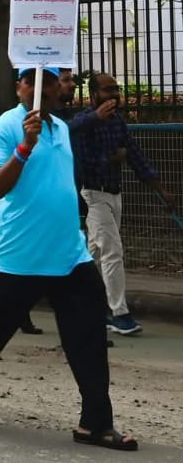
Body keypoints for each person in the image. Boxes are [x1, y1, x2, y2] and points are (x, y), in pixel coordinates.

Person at [0, 66, 136, 448]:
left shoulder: (60, 128)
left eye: (53, 81)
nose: (49, 88)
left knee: (88, 334)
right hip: (20, 255)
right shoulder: (5, 128)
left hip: (68, 254)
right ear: (21, 87)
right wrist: (24, 147)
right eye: (38, 82)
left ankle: (95, 422)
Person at [71, 72, 175, 337]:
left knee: (95, 254)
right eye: (108, 90)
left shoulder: (117, 122)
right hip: (93, 195)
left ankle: (87, 305)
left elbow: (136, 157)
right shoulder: (84, 123)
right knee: (112, 251)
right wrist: (113, 156)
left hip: (114, 194)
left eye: (116, 90)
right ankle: (119, 313)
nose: (114, 95)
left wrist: (161, 189)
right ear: (94, 95)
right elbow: (84, 156)